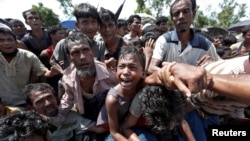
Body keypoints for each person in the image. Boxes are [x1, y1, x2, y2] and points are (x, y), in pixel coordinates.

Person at [47, 31, 117, 140]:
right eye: (75, 53)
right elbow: (67, 101)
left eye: (86, 50)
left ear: (92, 52)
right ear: (69, 58)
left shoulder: (109, 73)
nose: (83, 57)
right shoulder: (68, 77)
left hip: (113, 119)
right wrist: (53, 120)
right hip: (89, 119)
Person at [97, 45, 157, 141]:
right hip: (113, 130)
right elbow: (114, 132)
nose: (125, 72)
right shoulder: (112, 99)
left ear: (143, 73)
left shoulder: (141, 85)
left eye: (132, 67)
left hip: (133, 125)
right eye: (121, 67)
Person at [22, 83, 104, 141]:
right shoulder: (28, 128)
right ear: (31, 108)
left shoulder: (70, 116)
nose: (48, 103)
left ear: (56, 98)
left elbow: (99, 129)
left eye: (49, 97)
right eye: (40, 101)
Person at [0, 27, 57, 107]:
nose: (6, 43)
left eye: (9, 40)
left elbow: (44, 72)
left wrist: (53, 71)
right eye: (1, 40)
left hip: (26, 104)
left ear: (16, 42)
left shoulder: (28, 56)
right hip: (4, 105)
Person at [50, 3, 105, 72]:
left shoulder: (100, 45)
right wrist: (63, 72)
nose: (90, 27)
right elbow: (52, 61)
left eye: (93, 22)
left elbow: (102, 64)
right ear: (77, 25)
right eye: (85, 22)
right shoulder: (64, 43)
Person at [121, 85, 186, 141]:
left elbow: (183, 123)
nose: (170, 127)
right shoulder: (140, 102)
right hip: (142, 129)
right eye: (168, 122)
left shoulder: (176, 99)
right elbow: (125, 128)